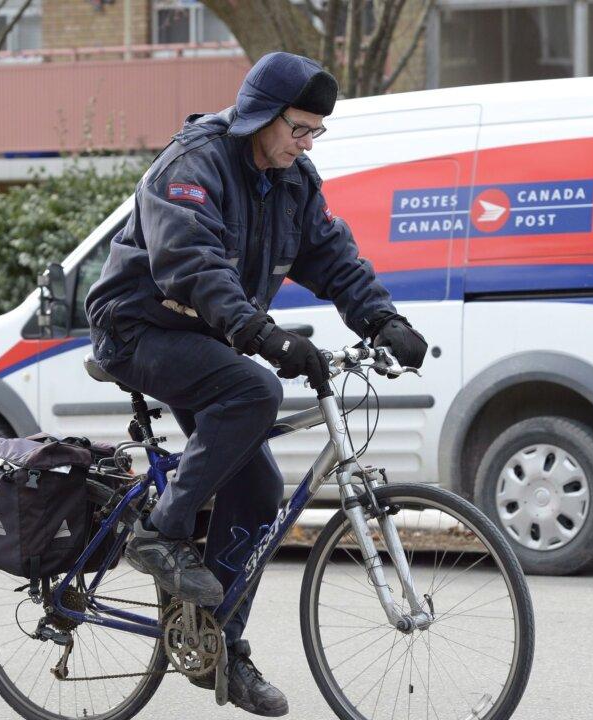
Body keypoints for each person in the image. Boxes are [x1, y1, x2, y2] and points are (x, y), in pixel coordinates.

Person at [84, 51, 427, 716]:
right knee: (255, 390)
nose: (305, 144)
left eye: (314, 134)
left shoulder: (294, 183)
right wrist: (261, 335)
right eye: (298, 129)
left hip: (208, 339)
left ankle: (220, 651)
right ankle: (159, 530)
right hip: (138, 329)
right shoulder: (195, 163)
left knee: (260, 488)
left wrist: (385, 320)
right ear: (261, 117)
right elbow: (192, 262)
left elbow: (333, 259)